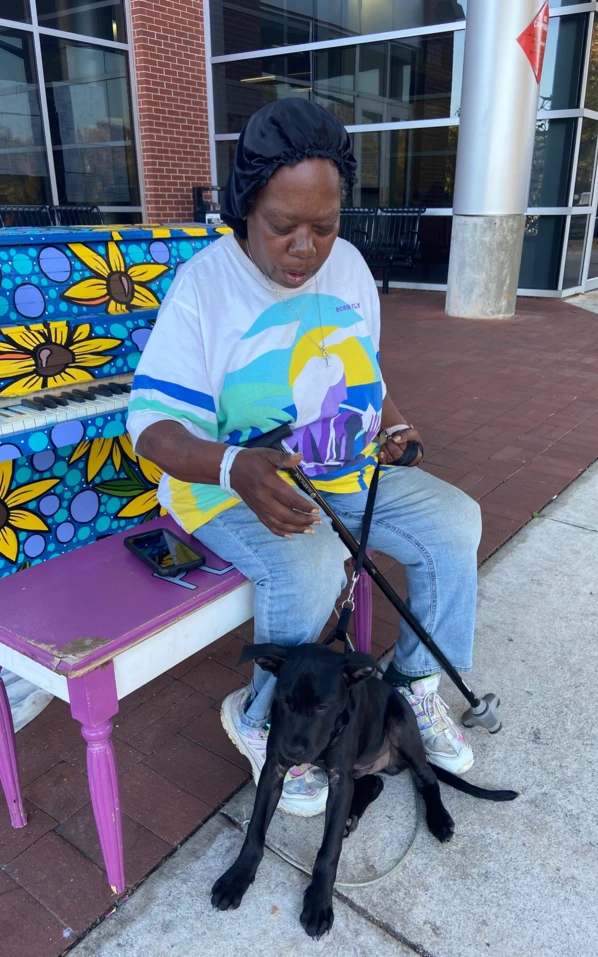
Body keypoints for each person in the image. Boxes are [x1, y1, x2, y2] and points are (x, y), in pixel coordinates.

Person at [127, 99, 482, 817]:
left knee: (456, 520)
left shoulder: (348, 267)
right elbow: (151, 430)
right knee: (313, 560)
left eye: (323, 226)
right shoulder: (203, 287)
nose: (305, 248)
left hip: (343, 472)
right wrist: (235, 466)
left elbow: (364, 367)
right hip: (230, 487)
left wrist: (394, 421)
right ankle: (262, 720)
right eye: (283, 226)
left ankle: (414, 686)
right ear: (244, 207)